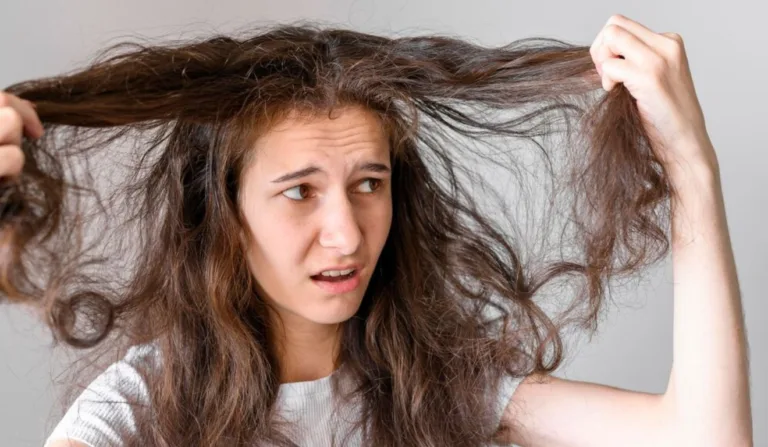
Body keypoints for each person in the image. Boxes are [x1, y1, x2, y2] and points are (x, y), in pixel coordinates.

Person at [0, 14, 752, 446]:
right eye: (299, 192)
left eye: (370, 184)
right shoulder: (135, 411)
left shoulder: (442, 387)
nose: (347, 234)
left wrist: (692, 168)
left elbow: (704, 437)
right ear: (223, 218)